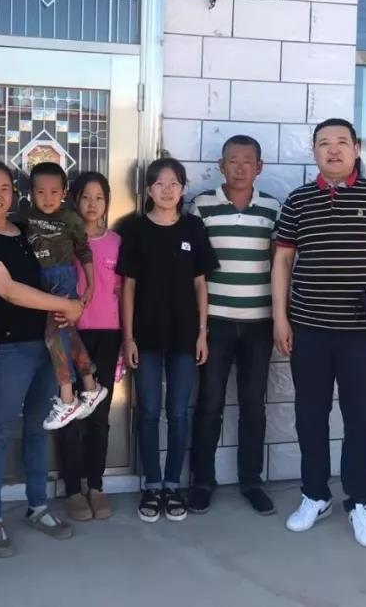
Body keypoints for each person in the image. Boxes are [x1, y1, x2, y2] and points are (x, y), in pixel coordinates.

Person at [271, 119, 366, 548]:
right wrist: (280, 318)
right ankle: (315, 495)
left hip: (361, 334)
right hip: (309, 330)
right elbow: (282, 262)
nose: (333, 150)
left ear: (356, 148)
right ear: (314, 151)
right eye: (324, 143)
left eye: (341, 142)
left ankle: (360, 501)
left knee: (359, 419)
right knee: (310, 416)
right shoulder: (298, 200)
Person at [0, 161, 84, 556]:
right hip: (8, 349)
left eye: (5, 188)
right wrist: (65, 305)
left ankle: (38, 506)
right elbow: (10, 290)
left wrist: (73, 301)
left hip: (47, 344)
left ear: (14, 194)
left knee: (37, 429)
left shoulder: (24, 231)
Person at [119, 158, 217, 523]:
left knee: (177, 412)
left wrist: (203, 332)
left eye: (174, 183)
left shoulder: (193, 227)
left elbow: (200, 284)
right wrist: (128, 337)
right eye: (159, 183)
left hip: (185, 336)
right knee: (148, 412)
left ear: (183, 188)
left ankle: (173, 484)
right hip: (145, 337)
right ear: (148, 189)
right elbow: (128, 287)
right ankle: (152, 484)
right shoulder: (135, 229)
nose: (167, 189)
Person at [188, 135, 281, 517]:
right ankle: (201, 481)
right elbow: (192, 269)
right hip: (215, 323)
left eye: (247, 161)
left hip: (259, 324)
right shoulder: (202, 206)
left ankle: (251, 481)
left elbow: (280, 266)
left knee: (253, 405)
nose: (240, 167)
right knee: (209, 404)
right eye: (232, 160)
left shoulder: (272, 209)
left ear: (259, 167)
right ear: (221, 165)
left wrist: (281, 318)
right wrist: (198, 326)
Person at [16, 162, 107, 430]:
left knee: (53, 336)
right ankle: (91, 386)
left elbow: (84, 252)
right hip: (39, 282)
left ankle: (68, 398)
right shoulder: (26, 214)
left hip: (62, 279)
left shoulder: (70, 219)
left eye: (54, 192)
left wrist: (90, 286)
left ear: (64, 193)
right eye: (40, 192)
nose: (48, 198)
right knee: (67, 334)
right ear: (31, 193)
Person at [57, 171, 124, 521]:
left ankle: (95, 485)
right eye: (85, 197)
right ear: (75, 201)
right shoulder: (64, 241)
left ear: (107, 202)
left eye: (99, 197)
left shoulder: (117, 243)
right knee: (69, 412)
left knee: (99, 415)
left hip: (108, 336)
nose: (92, 204)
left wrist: (126, 340)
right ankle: (72, 488)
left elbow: (123, 293)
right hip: (70, 334)